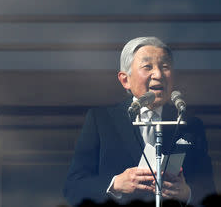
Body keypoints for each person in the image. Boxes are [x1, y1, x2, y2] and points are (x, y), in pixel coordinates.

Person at [63, 37, 216, 206]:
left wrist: (187, 193)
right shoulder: (101, 121)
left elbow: (208, 191)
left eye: (165, 67)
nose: (158, 74)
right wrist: (115, 184)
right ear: (125, 80)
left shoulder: (190, 125)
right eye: (147, 67)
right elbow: (73, 187)